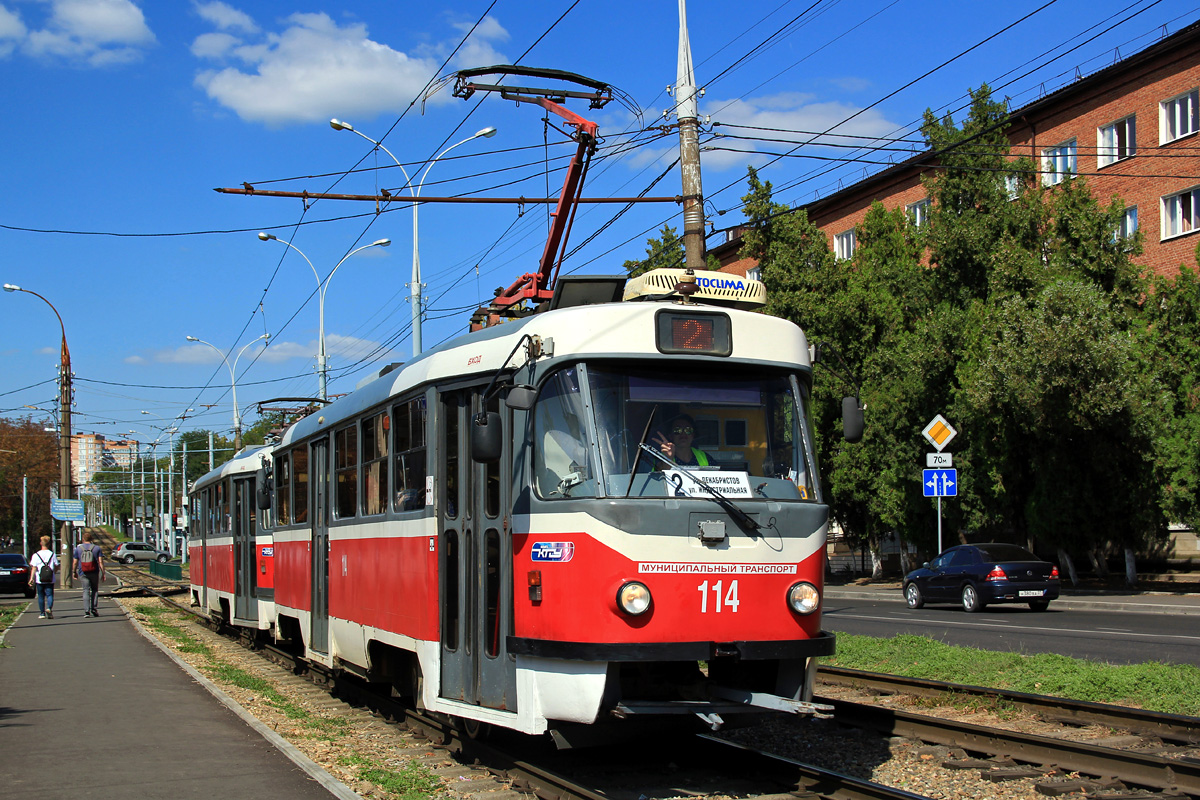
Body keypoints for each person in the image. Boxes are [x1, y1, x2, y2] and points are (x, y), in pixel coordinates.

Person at [74, 530, 105, 617]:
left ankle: (86, 611)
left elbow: (75, 562)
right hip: (94, 572)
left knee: (86, 590)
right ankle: (94, 608)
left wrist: (74, 572)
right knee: (94, 590)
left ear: (83, 539)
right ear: (91, 539)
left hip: (83, 572)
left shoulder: (78, 549)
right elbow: (100, 562)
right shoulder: (97, 548)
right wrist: (103, 573)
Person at [28, 535, 59, 619]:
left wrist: (31, 578)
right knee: (50, 594)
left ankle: (42, 613)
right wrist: (53, 572)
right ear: (49, 544)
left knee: (41, 596)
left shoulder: (36, 555)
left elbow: (34, 567)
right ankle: (49, 608)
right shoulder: (52, 554)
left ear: (40, 543)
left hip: (39, 579)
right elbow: (57, 565)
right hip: (50, 578)